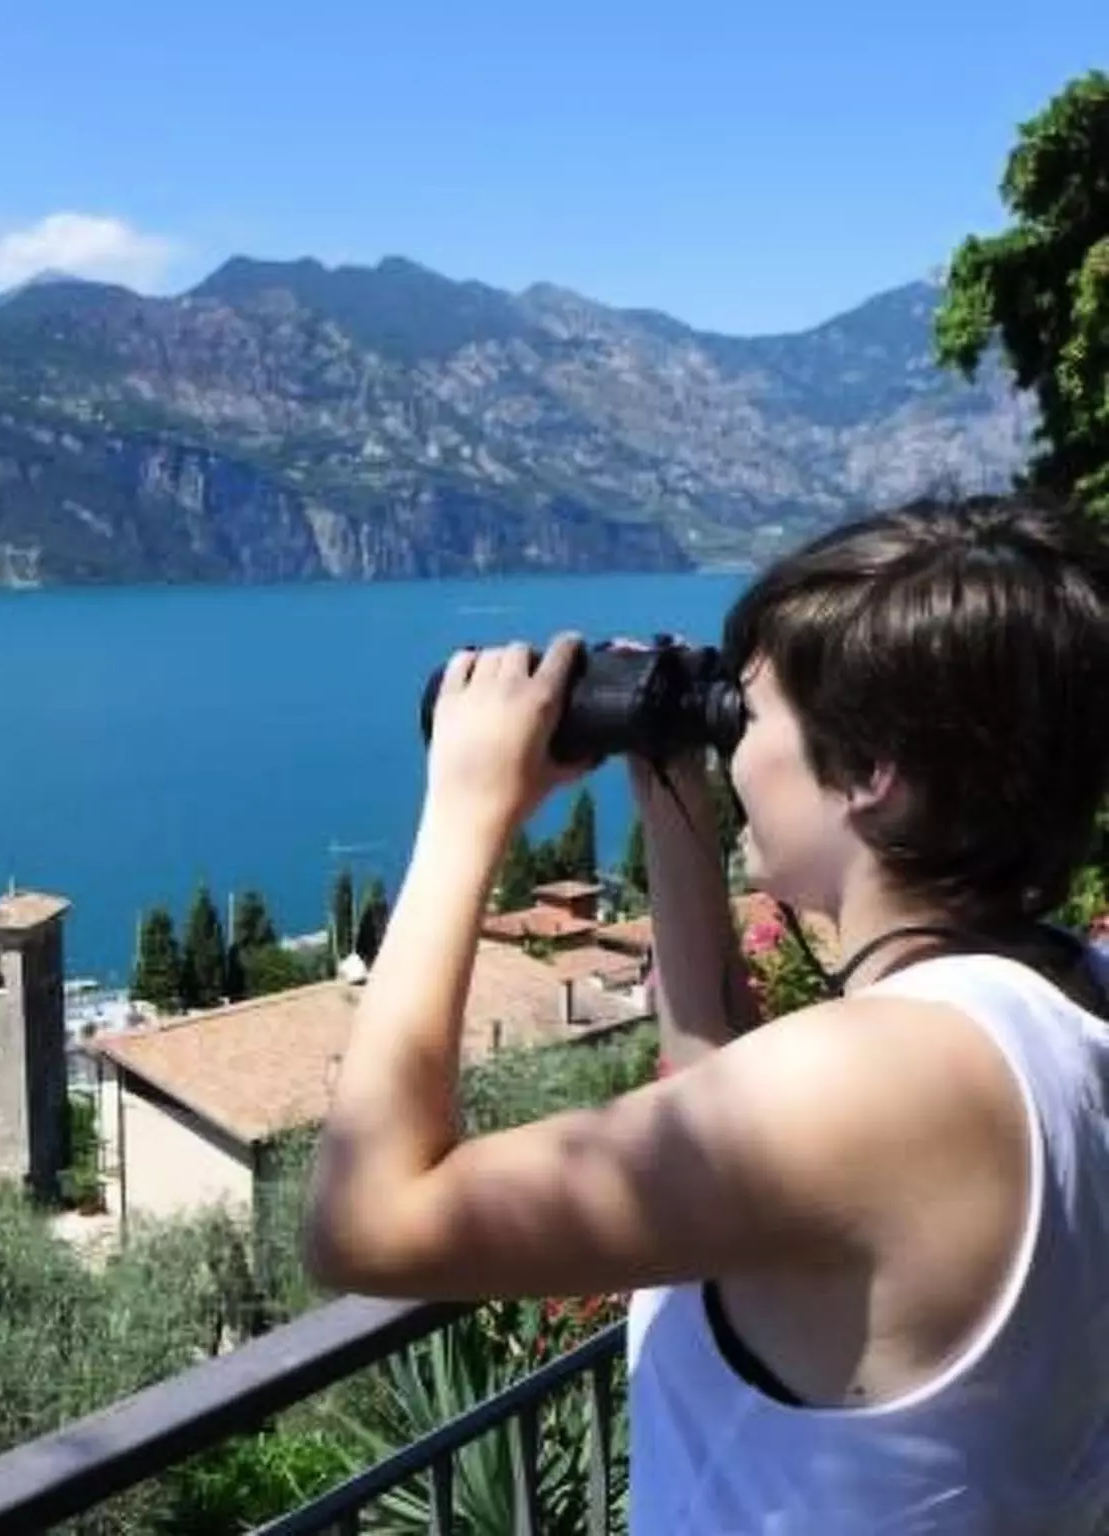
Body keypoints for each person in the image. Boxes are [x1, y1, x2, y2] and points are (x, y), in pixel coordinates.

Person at [303, 495, 1109, 1532]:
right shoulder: (1066, 996)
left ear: (872, 772)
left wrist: (465, 809)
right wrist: (671, 786)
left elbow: (364, 1223)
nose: (732, 746)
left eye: (748, 715)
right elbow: (721, 1091)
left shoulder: (881, 1079)